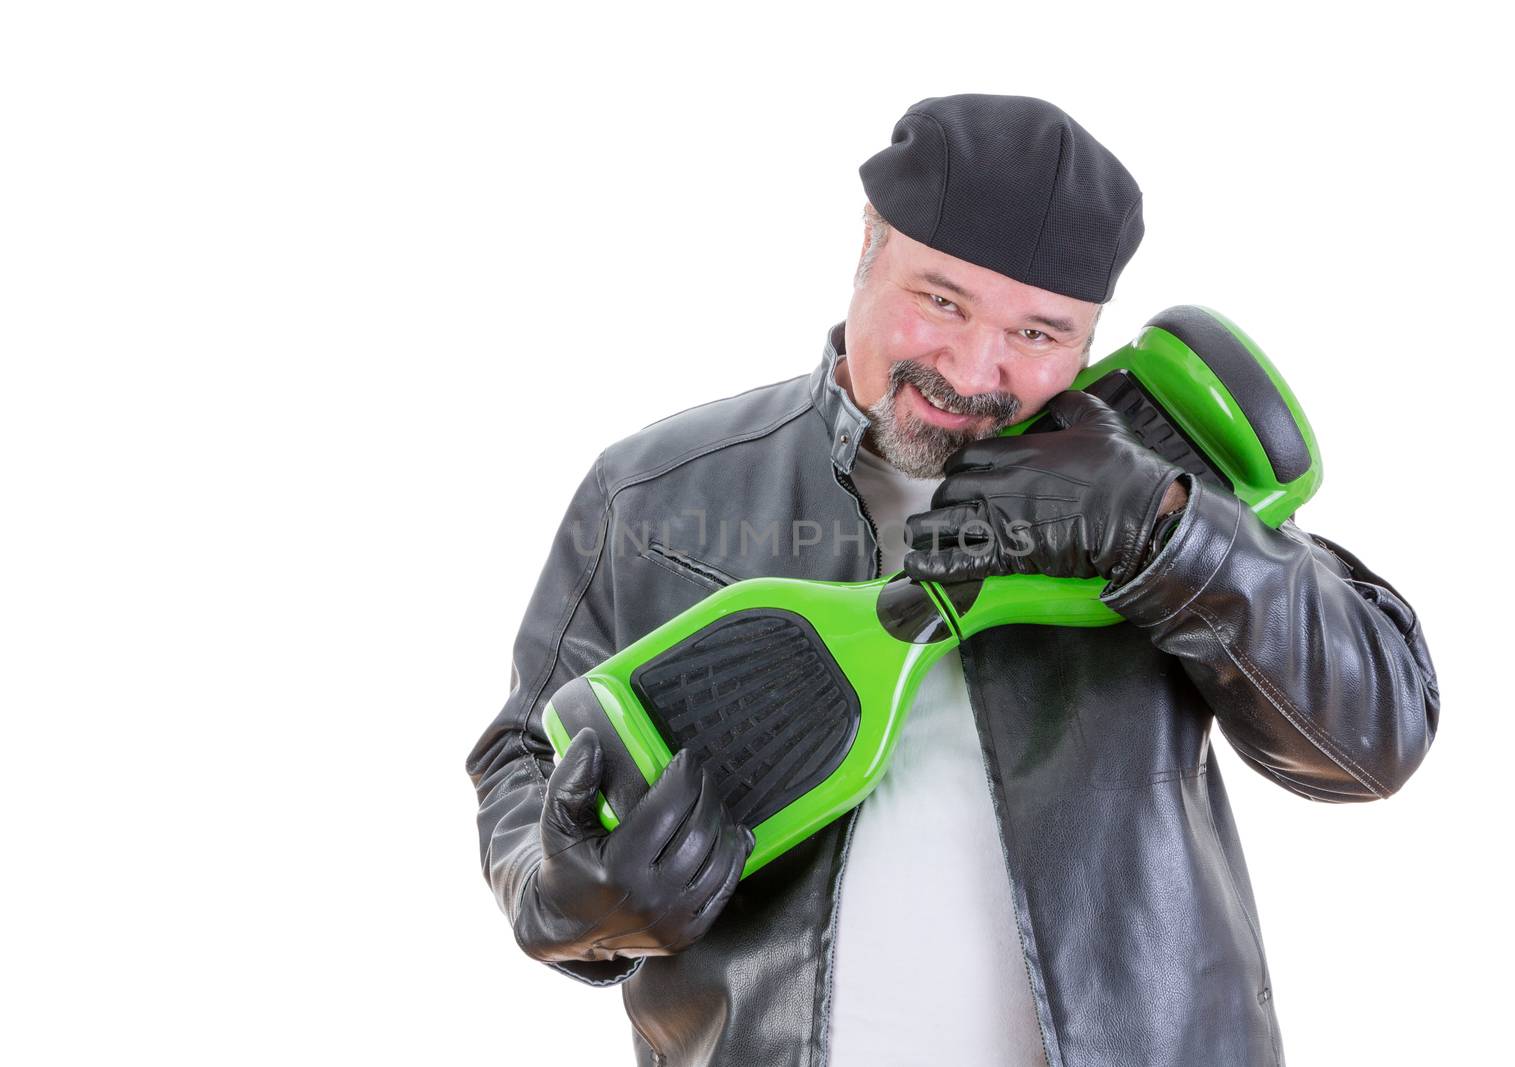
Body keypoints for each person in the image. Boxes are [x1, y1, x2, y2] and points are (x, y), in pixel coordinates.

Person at [465, 93, 1440, 1066]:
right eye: (942, 301)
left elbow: (1372, 739)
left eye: (1038, 333)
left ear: (1095, 335)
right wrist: (563, 897)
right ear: (866, 246)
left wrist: (1166, 534)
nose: (973, 369)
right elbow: (524, 757)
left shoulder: (1164, 484)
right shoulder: (657, 488)